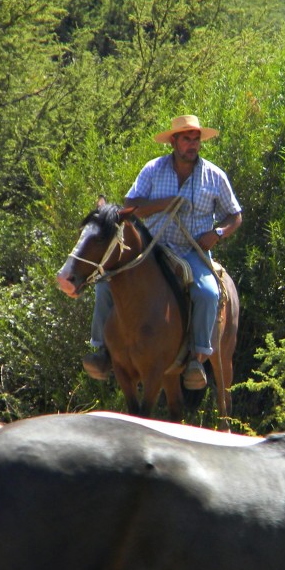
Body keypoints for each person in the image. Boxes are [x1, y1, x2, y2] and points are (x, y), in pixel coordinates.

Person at [83, 115, 242, 390]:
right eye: (186, 139)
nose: (192, 145)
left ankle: (195, 357)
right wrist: (164, 204)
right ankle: (102, 351)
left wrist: (216, 234)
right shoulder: (153, 169)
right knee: (105, 286)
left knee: (207, 292)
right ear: (173, 141)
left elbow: (234, 216)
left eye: (196, 139)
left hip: (192, 250)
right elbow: (131, 206)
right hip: (153, 249)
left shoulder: (214, 176)